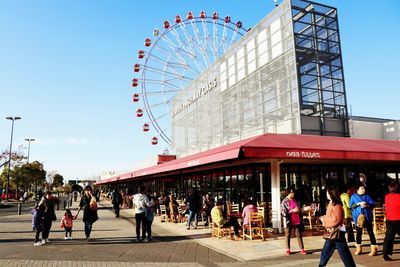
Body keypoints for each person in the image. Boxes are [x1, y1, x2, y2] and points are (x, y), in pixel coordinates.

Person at [319, 187, 356, 267]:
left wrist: (324, 220)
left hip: (336, 232)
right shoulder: (331, 203)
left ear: (331, 194)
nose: (326, 194)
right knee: (327, 252)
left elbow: (336, 219)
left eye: (327, 192)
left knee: (343, 253)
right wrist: (325, 218)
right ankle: (321, 265)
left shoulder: (336, 205)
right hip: (333, 232)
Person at [349, 183, 377, 256]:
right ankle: (359, 248)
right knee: (359, 233)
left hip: (367, 217)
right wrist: (358, 204)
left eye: (364, 188)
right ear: (357, 190)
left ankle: (374, 248)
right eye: (362, 188)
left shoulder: (367, 196)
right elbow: (350, 206)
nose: (364, 190)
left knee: (370, 232)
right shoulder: (353, 196)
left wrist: (367, 204)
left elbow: (373, 204)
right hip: (358, 218)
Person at [281, 188, 307, 256]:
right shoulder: (284, 201)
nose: (293, 193)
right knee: (288, 234)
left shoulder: (295, 201)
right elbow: (283, 212)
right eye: (291, 192)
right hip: (289, 220)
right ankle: (287, 249)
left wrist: (299, 210)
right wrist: (292, 210)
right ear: (288, 193)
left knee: (298, 234)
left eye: (293, 192)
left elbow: (299, 209)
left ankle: (302, 249)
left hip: (296, 220)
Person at [382, 181, 400, 261]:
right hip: (398, 219)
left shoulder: (386, 197)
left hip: (390, 219)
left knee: (388, 238)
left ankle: (385, 254)